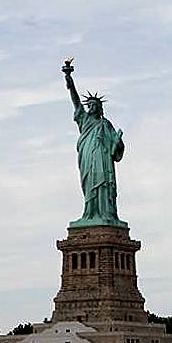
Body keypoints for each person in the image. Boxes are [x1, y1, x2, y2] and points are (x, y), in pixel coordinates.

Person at [62, 59, 125, 226]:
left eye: (93, 105)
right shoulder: (84, 119)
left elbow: (116, 150)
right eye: (89, 105)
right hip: (88, 158)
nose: (91, 108)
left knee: (105, 185)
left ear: (99, 107)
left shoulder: (106, 124)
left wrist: (117, 142)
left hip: (103, 160)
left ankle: (107, 214)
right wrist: (69, 80)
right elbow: (75, 100)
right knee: (90, 185)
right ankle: (90, 213)